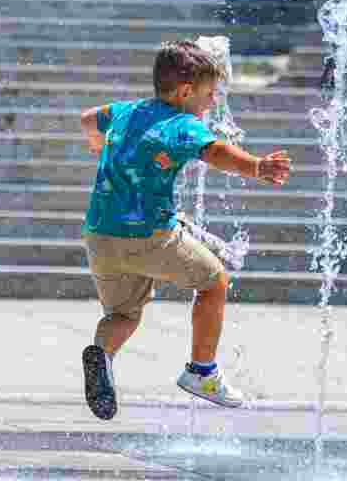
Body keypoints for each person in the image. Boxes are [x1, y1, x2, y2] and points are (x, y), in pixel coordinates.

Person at [79, 40, 291, 420]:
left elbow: (88, 117)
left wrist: (97, 143)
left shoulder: (127, 111)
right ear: (186, 91)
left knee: (123, 314)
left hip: (99, 236)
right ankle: (202, 371)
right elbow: (218, 153)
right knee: (214, 282)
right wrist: (257, 167)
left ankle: (102, 355)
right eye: (209, 94)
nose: (211, 103)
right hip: (150, 237)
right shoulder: (182, 124)